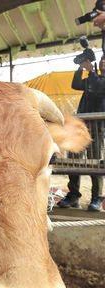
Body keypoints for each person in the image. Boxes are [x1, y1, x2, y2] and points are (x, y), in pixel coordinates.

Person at [58, 57, 105, 211]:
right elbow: (76, 84)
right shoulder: (92, 80)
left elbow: (99, 88)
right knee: (74, 161)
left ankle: (96, 198)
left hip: (96, 128)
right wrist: (81, 68)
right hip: (80, 127)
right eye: (103, 59)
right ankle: (73, 195)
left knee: (95, 163)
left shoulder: (97, 81)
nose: (104, 61)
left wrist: (91, 71)